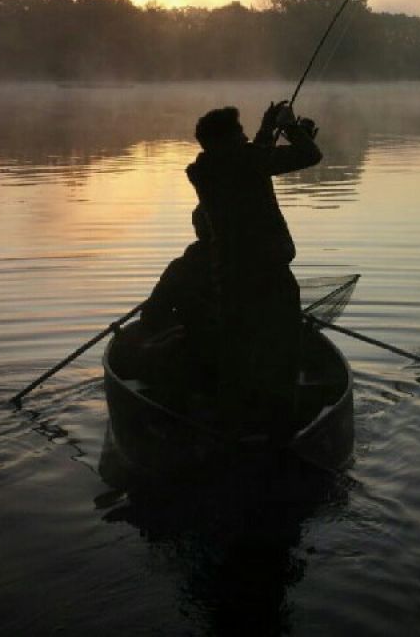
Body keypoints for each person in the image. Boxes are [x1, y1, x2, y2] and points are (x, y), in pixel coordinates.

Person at [185, 100, 322, 432]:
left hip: (230, 278)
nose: (246, 139)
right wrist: (290, 127)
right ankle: (280, 426)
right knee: (282, 348)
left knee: (236, 351)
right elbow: (310, 155)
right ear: (227, 140)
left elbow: (250, 159)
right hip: (270, 276)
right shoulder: (246, 161)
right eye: (241, 135)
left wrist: (265, 130)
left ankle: (232, 425)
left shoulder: (203, 170)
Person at [135, 205, 217, 395]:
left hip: (199, 351)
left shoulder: (181, 267)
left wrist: (176, 325)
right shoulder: (247, 265)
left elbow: (150, 315)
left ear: (196, 229)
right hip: (242, 349)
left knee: (141, 353)